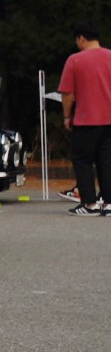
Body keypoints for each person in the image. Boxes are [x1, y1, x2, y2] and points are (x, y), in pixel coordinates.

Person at [60, 23, 111, 214]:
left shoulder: (75, 60)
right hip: (109, 120)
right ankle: (109, 202)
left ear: (81, 38)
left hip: (86, 120)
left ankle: (89, 203)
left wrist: (67, 115)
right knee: (106, 161)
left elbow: (67, 93)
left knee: (82, 160)